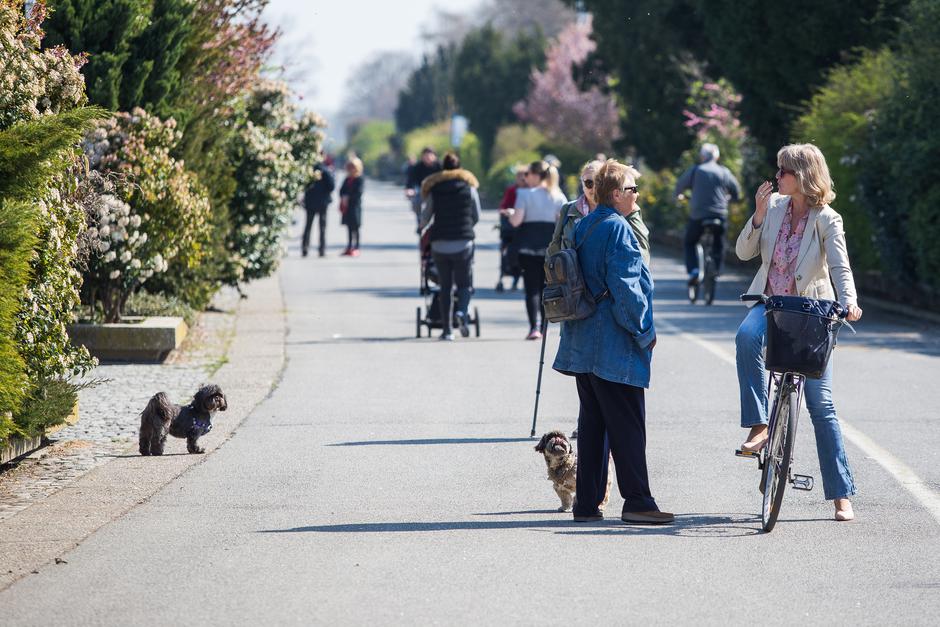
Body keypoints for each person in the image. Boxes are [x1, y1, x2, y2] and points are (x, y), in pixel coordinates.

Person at [735, 143, 863, 522]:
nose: (777, 178)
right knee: (745, 337)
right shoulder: (773, 209)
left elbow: (840, 268)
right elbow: (744, 253)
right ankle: (760, 425)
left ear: (803, 176)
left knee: (821, 406)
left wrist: (850, 302)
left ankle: (841, 495)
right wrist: (757, 217)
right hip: (772, 305)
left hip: (812, 314)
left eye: (783, 172)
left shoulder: (827, 219)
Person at [552, 159, 673, 525]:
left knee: (593, 427)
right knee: (628, 425)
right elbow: (627, 289)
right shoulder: (619, 229)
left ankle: (586, 505)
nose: (638, 195)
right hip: (613, 344)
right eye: (633, 189)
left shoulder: (585, 225)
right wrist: (644, 333)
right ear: (617, 193)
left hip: (583, 341)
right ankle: (637, 501)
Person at [418, 152, 481, 341]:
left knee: (445, 287)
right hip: (463, 242)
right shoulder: (469, 187)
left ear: (443, 168)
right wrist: (467, 227)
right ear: (460, 167)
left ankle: (447, 331)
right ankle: (461, 312)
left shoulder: (435, 189)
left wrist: (422, 227)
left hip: (439, 243)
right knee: (464, 284)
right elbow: (476, 215)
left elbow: (426, 216)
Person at [501, 160, 567, 340]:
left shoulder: (524, 194)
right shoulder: (559, 196)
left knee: (531, 289)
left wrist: (510, 214)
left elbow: (516, 221)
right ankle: (545, 327)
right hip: (550, 249)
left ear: (537, 175)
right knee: (547, 288)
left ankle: (534, 327)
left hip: (528, 247)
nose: (525, 177)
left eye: (527, 174)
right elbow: (561, 225)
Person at [674, 143, 741, 285]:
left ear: (702, 156)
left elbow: (680, 185)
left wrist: (678, 195)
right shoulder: (724, 172)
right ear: (717, 157)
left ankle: (693, 270)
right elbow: (736, 190)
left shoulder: (696, 170)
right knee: (719, 241)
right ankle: (716, 269)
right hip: (719, 214)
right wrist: (732, 199)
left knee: (690, 241)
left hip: (698, 215)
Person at [496, 165, 526, 292]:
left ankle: (518, 277)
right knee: (507, 251)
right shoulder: (512, 190)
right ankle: (510, 275)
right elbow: (503, 207)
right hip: (511, 227)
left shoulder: (532, 192)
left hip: (525, 229)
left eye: (524, 176)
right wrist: (507, 213)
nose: (522, 179)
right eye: (519, 177)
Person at [301, 162, 335, 257]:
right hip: (322, 203)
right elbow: (331, 186)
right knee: (322, 228)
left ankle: (305, 248)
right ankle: (322, 249)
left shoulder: (309, 170)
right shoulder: (326, 171)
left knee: (308, 226)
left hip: (310, 202)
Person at [405, 147, 442, 224]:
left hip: (438, 192)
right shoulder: (417, 167)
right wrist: (409, 189)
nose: (428, 158)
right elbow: (410, 181)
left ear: (435, 156)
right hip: (422, 191)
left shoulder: (440, 166)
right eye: (425, 156)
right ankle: (420, 219)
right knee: (415, 201)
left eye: (430, 156)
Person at [339, 157, 364, 257]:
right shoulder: (347, 179)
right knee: (349, 227)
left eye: (353, 167)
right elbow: (341, 190)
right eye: (349, 167)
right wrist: (344, 196)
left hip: (355, 207)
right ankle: (349, 247)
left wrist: (349, 197)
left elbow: (359, 192)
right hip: (347, 207)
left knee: (356, 228)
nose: (351, 169)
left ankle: (357, 247)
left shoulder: (359, 179)